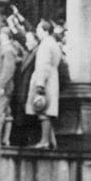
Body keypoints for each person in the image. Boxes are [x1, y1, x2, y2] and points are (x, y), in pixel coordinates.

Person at [27, 20, 62, 150]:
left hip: (45, 80)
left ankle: (45, 141)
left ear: (45, 31)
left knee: (43, 109)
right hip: (52, 79)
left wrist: (40, 84)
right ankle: (51, 141)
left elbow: (43, 64)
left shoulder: (45, 45)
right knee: (47, 110)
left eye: (38, 29)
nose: (37, 32)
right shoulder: (52, 44)